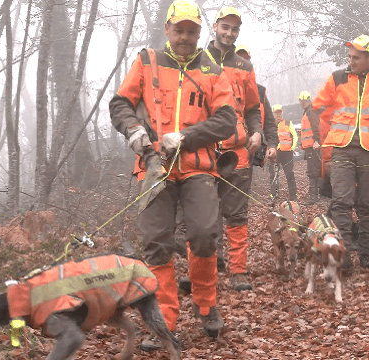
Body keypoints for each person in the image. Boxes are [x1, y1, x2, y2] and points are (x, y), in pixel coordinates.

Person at [109, 0, 236, 340]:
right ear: (167, 29)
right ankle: (163, 318)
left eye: (191, 31)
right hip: (154, 168)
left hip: (198, 168)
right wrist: (133, 130)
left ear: (199, 33)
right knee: (156, 242)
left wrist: (186, 136)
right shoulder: (146, 61)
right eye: (179, 30)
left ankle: (206, 304)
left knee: (205, 235)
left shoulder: (211, 70)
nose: (185, 37)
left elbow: (226, 120)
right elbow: (120, 103)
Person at [312, 35, 369, 269]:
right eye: (349, 56)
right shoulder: (337, 78)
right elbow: (319, 107)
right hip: (342, 148)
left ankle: (368, 257)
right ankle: (345, 255)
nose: (351, 61)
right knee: (341, 203)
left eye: (356, 57)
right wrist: (340, 120)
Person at [202, 6, 263, 291]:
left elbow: (253, 107)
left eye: (234, 29)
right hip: (202, 150)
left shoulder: (244, 66)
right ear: (215, 27)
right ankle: (208, 267)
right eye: (225, 27)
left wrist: (258, 132)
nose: (229, 33)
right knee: (204, 214)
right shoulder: (197, 61)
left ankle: (238, 272)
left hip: (238, 149)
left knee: (236, 213)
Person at [235, 45, 278, 164]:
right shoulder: (223, 87)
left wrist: (273, 145)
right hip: (230, 154)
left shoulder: (259, 92)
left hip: (254, 155)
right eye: (238, 59)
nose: (242, 63)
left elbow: (269, 123)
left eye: (245, 60)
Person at [269, 104, 298, 204]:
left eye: (280, 112)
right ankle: (274, 196)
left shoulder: (288, 123)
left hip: (287, 153)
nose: (278, 115)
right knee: (273, 175)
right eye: (276, 113)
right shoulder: (270, 125)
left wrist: (292, 148)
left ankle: (293, 196)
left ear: (282, 112)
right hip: (275, 154)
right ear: (273, 113)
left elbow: (295, 136)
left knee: (290, 174)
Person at [298, 91, 322, 205]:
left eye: (304, 101)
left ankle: (314, 196)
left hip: (313, 146)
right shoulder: (307, 112)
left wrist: (317, 141)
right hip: (309, 146)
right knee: (313, 170)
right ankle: (316, 194)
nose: (302, 103)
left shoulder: (311, 112)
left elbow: (316, 127)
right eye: (302, 101)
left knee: (313, 171)